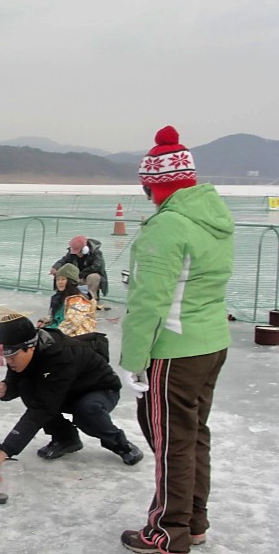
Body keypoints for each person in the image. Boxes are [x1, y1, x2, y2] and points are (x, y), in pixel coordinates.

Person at [119, 126, 234, 554]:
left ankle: (168, 531)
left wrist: (134, 359)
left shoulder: (167, 228)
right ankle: (193, 521)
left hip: (175, 350)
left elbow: (149, 302)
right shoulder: (212, 218)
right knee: (192, 436)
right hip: (210, 343)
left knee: (172, 444)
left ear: (153, 184)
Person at [0, 313, 143, 476]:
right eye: (6, 357)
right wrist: (7, 388)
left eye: (13, 356)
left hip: (100, 389)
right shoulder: (22, 352)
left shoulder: (60, 357)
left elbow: (42, 408)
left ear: (30, 346)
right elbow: (17, 380)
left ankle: (121, 445)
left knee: (86, 409)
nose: (9, 362)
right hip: (66, 390)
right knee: (27, 387)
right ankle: (66, 439)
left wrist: (4, 451)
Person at [37, 263, 97, 337]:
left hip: (76, 338)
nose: (60, 282)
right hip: (60, 332)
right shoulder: (60, 297)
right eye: (58, 279)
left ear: (71, 281)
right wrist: (45, 322)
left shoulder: (79, 300)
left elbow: (71, 324)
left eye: (63, 279)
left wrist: (49, 334)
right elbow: (57, 317)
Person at [51, 235, 108, 302]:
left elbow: (97, 267)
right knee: (61, 273)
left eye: (79, 252)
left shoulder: (97, 253)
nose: (77, 254)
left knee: (93, 277)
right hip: (77, 276)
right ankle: (63, 297)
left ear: (85, 249)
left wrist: (80, 275)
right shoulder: (72, 253)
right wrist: (56, 267)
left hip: (87, 276)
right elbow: (64, 260)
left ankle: (93, 299)